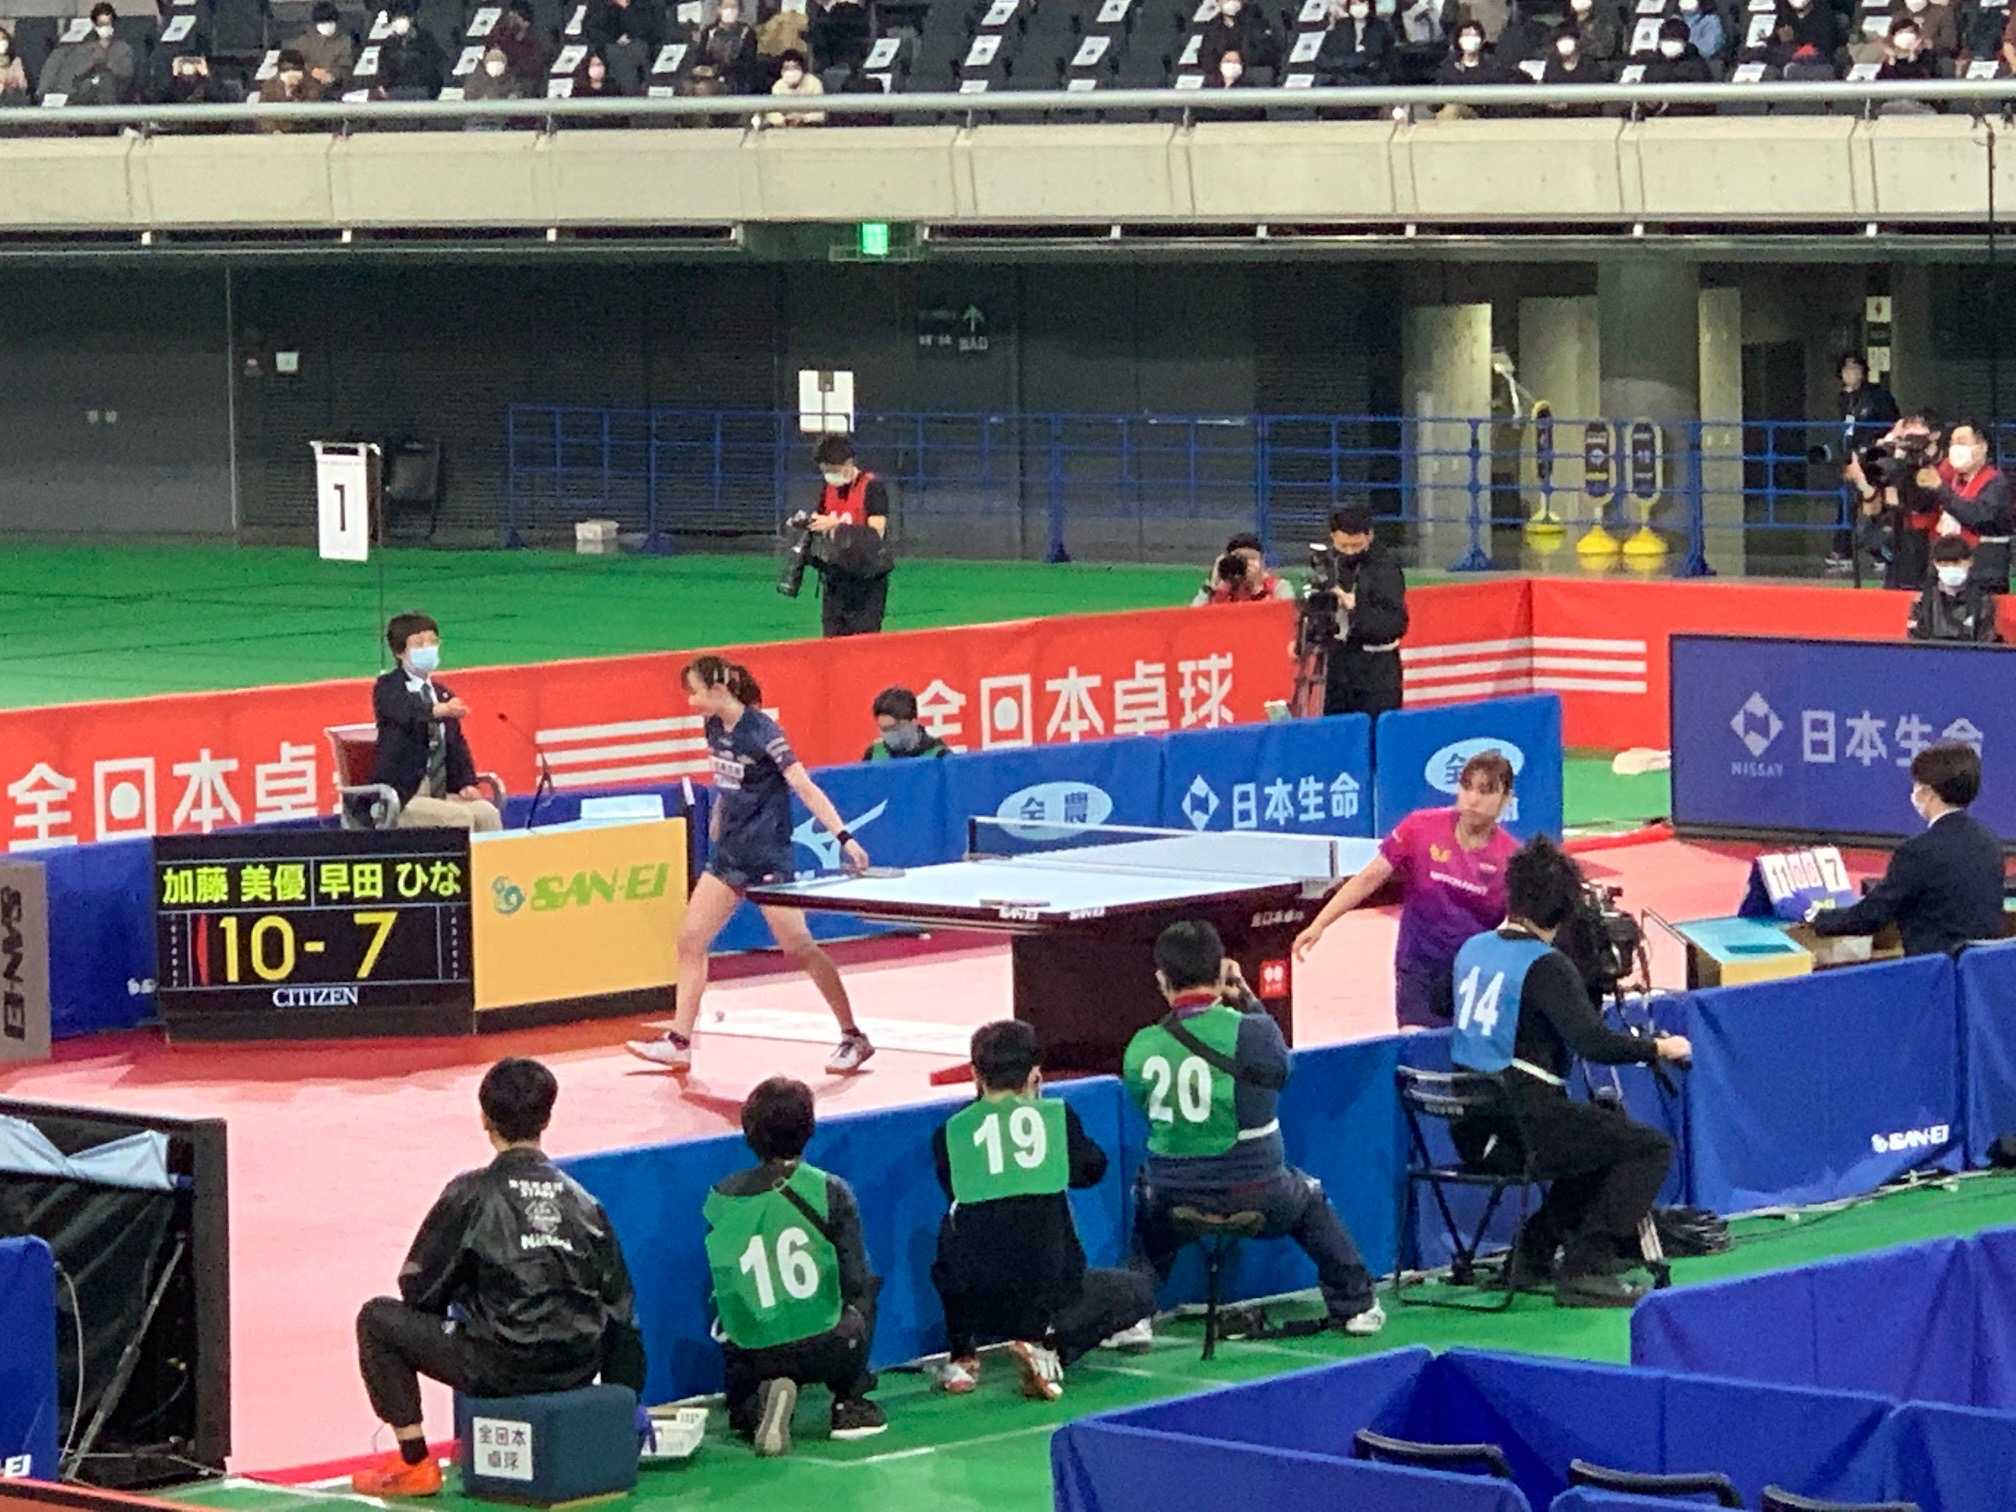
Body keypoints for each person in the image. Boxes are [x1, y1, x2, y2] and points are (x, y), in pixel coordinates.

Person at [351, 1059, 646, 1496]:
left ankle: (415, 1463)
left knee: (377, 1319)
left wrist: (465, 1299)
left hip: (500, 1366)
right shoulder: (586, 1204)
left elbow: (418, 1290)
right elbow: (621, 1310)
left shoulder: (470, 1193)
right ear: (547, 1118)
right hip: (577, 1367)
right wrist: (626, 1404)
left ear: (484, 1118)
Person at [1448, 836, 1691, 1308]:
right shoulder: (1546, 965)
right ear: (1564, 908)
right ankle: (1586, 1267)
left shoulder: (1472, 949)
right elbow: (1592, 1042)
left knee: (1595, 1140)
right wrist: (1658, 1047)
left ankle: (1531, 1255)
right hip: (1522, 1126)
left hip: (1471, 1129)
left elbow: (1445, 1000)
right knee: (1649, 1148)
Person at [1122, 921, 1386, 1336]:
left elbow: (1144, 1106)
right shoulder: (1253, 1031)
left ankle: (1131, 1318)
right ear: (1221, 971)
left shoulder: (1141, 1045)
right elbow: (1282, 1070)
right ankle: (1357, 1305)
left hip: (1175, 1194)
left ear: (1161, 980)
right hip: (1260, 1192)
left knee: (1149, 1209)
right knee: (1309, 1197)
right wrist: (1246, 997)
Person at [626, 657, 876, 1075]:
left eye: (695, 692)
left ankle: (853, 1036)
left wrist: (844, 837)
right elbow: (728, 784)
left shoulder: (764, 733)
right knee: (690, 940)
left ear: (719, 690)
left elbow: (803, 787)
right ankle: (680, 1043)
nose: (691, 701)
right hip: (728, 856)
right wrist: (718, 817)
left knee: (799, 948)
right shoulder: (713, 726)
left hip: (767, 859)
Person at [930, 1021, 1155, 1400]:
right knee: (1139, 1291)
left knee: (952, 1230)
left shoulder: (950, 1132)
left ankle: (962, 1357)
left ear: (975, 1074)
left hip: (979, 1303)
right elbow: (1092, 1170)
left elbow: (951, 1189)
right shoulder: (1056, 1118)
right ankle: (1050, 1348)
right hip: (1048, 1299)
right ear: (1035, 1074)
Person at [703, 1077, 886, 1456]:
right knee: (869, 1287)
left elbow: (725, 1287)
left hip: (754, 1350)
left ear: (748, 1132)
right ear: (810, 1129)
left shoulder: (721, 1198)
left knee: (734, 1344)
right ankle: (849, 1403)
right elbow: (856, 1279)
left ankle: (755, 1407)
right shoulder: (830, 1190)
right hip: (829, 1344)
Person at [1293, 751, 1519, 1029]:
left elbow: (1522, 926)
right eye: (1467, 787)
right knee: (1415, 1044)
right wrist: (1320, 924)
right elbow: (1369, 877)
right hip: (1418, 967)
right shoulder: (1420, 827)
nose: (1472, 799)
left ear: (1506, 798)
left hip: (1474, 976)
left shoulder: (1511, 859)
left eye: (1485, 791)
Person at [1806, 743, 2005, 957]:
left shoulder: (1918, 851)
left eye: (1916, 784)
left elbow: (1872, 917)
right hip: (1980, 970)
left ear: (1928, 792)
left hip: (1933, 970)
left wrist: (1815, 916)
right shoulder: (1990, 842)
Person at [371, 612, 504, 833]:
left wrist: (466, 783)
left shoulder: (442, 693)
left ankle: (491, 857)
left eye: (433, 642)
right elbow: (406, 713)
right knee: (458, 817)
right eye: (419, 644)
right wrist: (440, 710)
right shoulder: (388, 688)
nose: (428, 649)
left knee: (486, 812)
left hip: (441, 793)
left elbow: (456, 745)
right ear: (400, 652)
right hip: (404, 796)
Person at [1318, 504, 1409, 719]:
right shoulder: (1328, 563)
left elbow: (1396, 624)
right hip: (1338, 669)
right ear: (1333, 537)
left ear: (1369, 536)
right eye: (1343, 545)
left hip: (1376, 673)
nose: (1350, 551)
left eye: (1356, 545)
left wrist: (1356, 609)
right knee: (1338, 730)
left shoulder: (1386, 568)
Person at [806, 434, 894, 638]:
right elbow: (821, 519)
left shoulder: (872, 487)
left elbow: (875, 535)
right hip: (835, 580)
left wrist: (837, 526)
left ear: (848, 463)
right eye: (825, 471)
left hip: (866, 583)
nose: (830, 475)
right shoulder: (828, 489)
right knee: (832, 644)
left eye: (833, 470)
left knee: (863, 645)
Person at [1828, 352, 1901, 572]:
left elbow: (1891, 422)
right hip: (1850, 454)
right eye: (1846, 369)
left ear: (1863, 372)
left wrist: (1879, 443)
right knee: (1847, 501)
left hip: (1873, 455)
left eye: (1855, 369)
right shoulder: (1843, 397)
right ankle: (1843, 549)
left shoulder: (1878, 396)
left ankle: (1882, 552)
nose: (1850, 374)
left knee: (1875, 504)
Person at [1923, 420, 2013, 594]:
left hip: (1983, 577)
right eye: (1952, 443)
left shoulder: (1996, 483)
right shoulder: (1951, 479)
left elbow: (1980, 516)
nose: (1955, 449)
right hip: (1946, 572)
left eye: (1962, 442)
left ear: (1982, 447)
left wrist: (1941, 490)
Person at [1909, 537, 2001, 643]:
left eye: (1956, 563)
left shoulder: (1982, 600)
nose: (1951, 568)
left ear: (1970, 561)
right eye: (1944, 564)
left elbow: (1986, 640)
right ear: (1935, 564)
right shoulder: (1924, 598)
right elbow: (1915, 639)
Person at [40, 4, 136, 104]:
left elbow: (125, 75)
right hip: (82, 98)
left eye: (108, 24)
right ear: (94, 25)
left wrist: (105, 68)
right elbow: (75, 75)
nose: (105, 28)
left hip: (111, 98)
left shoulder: (123, 48)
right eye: (101, 24)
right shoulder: (83, 49)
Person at [1192, 531, 1296, 606]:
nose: (1247, 564)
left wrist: (1255, 589)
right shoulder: (1222, 590)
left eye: (1252, 558)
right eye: (1241, 559)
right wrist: (1211, 585)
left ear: (1262, 562)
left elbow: (1287, 619)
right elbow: (1193, 619)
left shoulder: (1278, 588)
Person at [1315, 0, 1397, 86]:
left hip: (1371, 79)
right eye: (1354, 4)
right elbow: (1330, 54)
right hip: (1343, 78)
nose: (1358, 6)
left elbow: (1371, 55)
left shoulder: (1380, 27)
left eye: (1362, 3)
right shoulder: (1342, 25)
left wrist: (1340, 63)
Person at [862, 686, 951, 761]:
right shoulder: (874, 755)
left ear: (914, 721)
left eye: (894, 728)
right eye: (884, 729)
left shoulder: (939, 755)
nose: (889, 734)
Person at [291, 1, 356, 91]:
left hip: (334, 88)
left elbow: (346, 67)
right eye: (323, 23)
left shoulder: (345, 41)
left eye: (331, 22)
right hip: (307, 87)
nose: (327, 26)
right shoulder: (304, 40)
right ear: (316, 23)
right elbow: (293, 62)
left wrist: (332, 75)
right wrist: (312, 71)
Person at [699, 0, 761, 93]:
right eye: (726, 6)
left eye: (734, 7)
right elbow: (700, 56)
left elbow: (747, 63)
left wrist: (717, 70)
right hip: (707, 76)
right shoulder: (709, 31)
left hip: (735, 80)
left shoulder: (747, 32)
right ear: (719, 9)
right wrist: (700, 68)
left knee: (704, 88)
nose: (730, 10)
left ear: (739, 10)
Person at [764, 49, 825, 124]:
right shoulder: (778, 86)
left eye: (795, 68)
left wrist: (804, 118)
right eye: (787, 68)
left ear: (802, 69)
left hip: (811, 127)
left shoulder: (814, 83)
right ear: (781, 71)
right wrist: (784, 120)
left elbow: (821, 115)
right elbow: (772, 114)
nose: (791, 72)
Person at [0, 27, 29, 105]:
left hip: (11, 103)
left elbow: (23, 85)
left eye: (3, 39)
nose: (1, 42)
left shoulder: (16, 61)